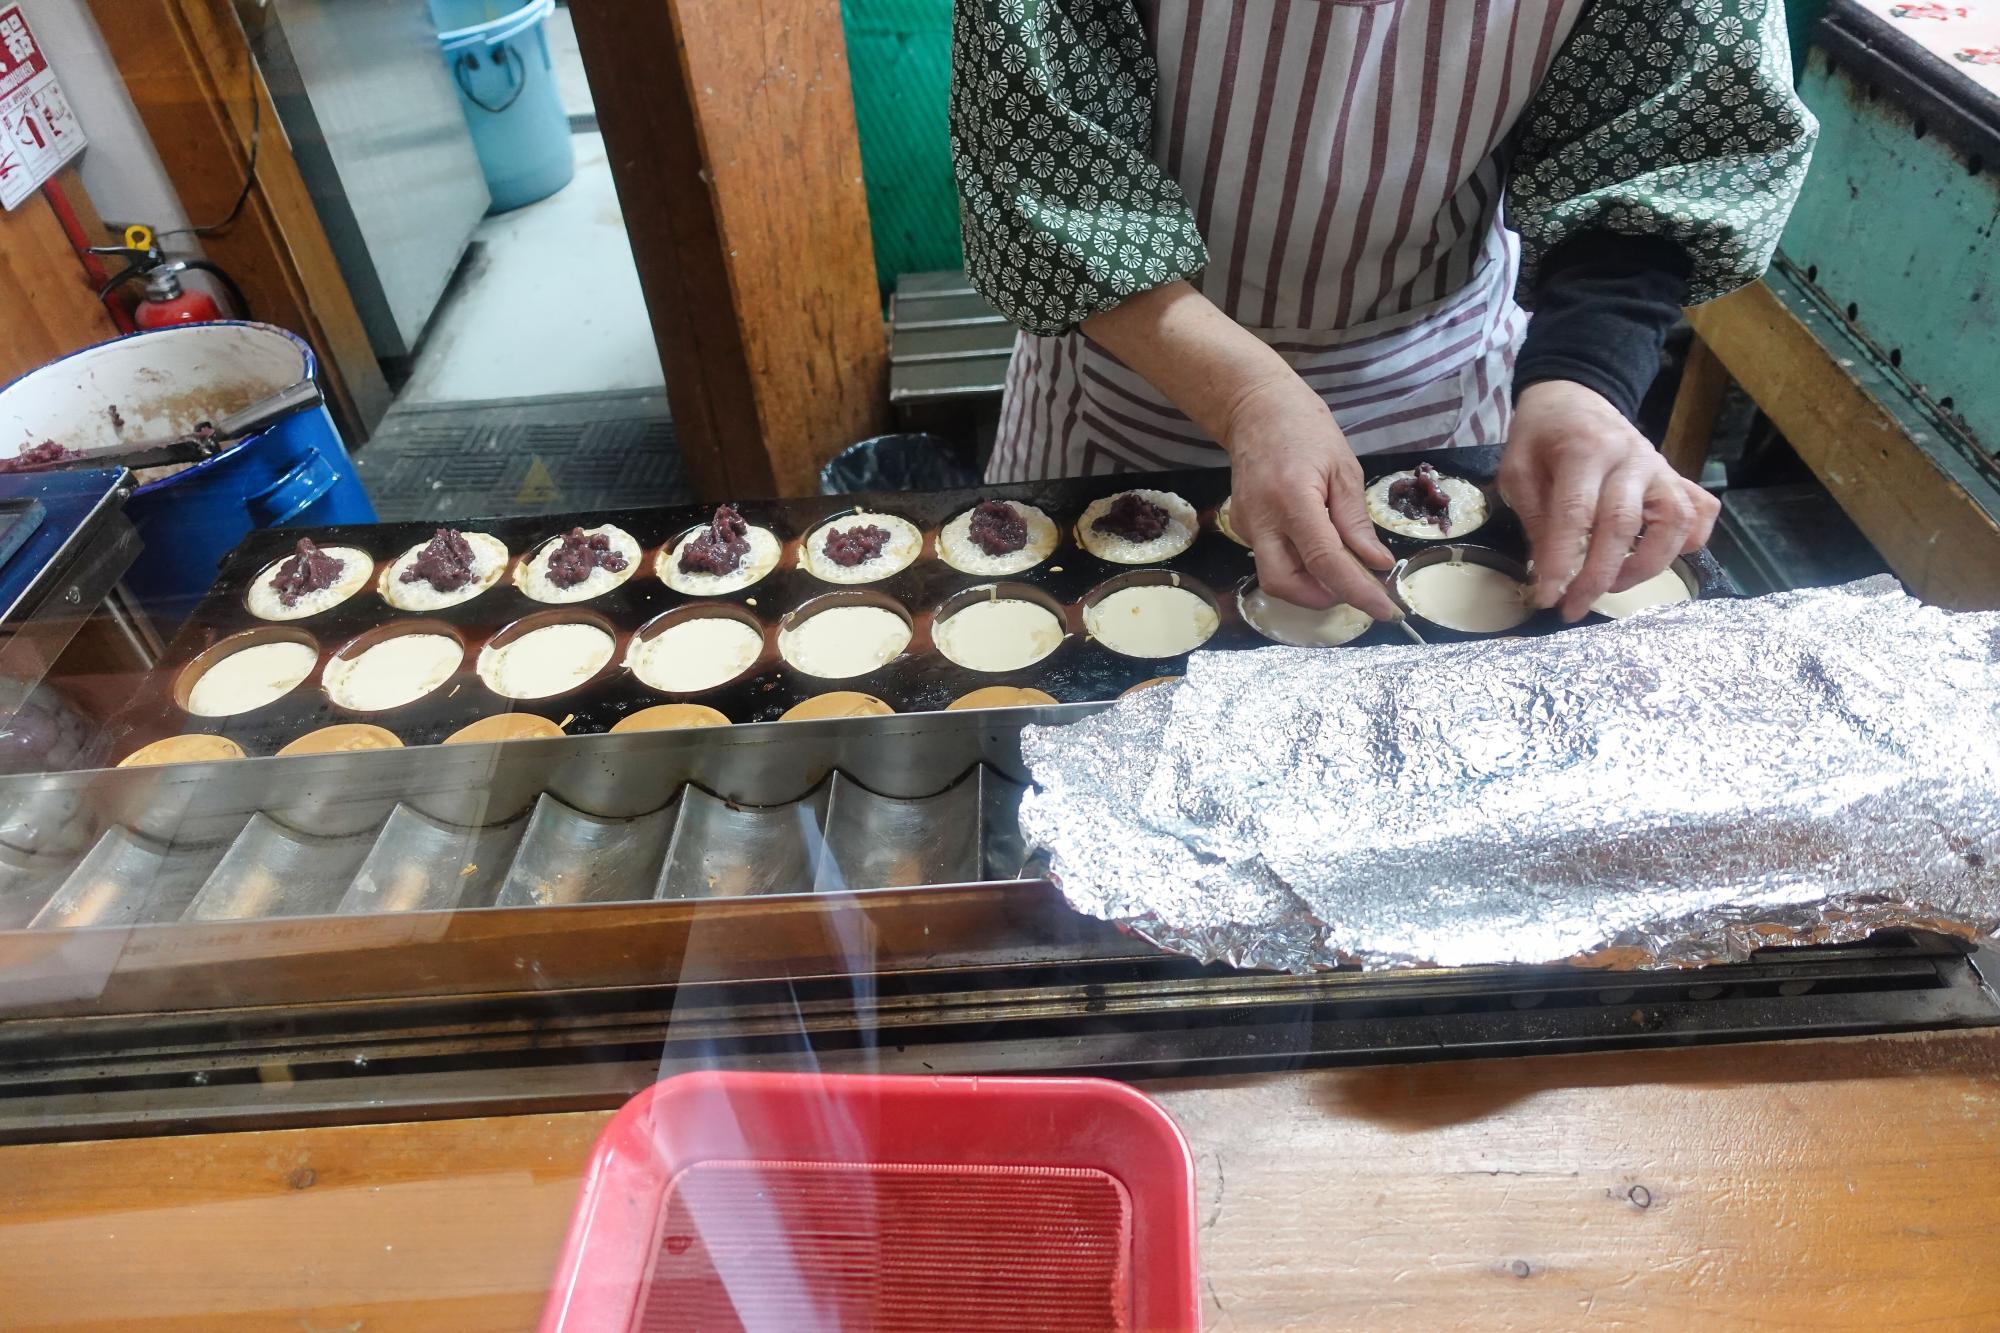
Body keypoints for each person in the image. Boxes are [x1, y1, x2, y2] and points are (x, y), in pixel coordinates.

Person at [950, 0, 1816, 620]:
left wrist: (1583, 382)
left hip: (1434, 382)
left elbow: (1661, 137)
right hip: (1135, 373)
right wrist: (1249, 394)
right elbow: (1050, 165)